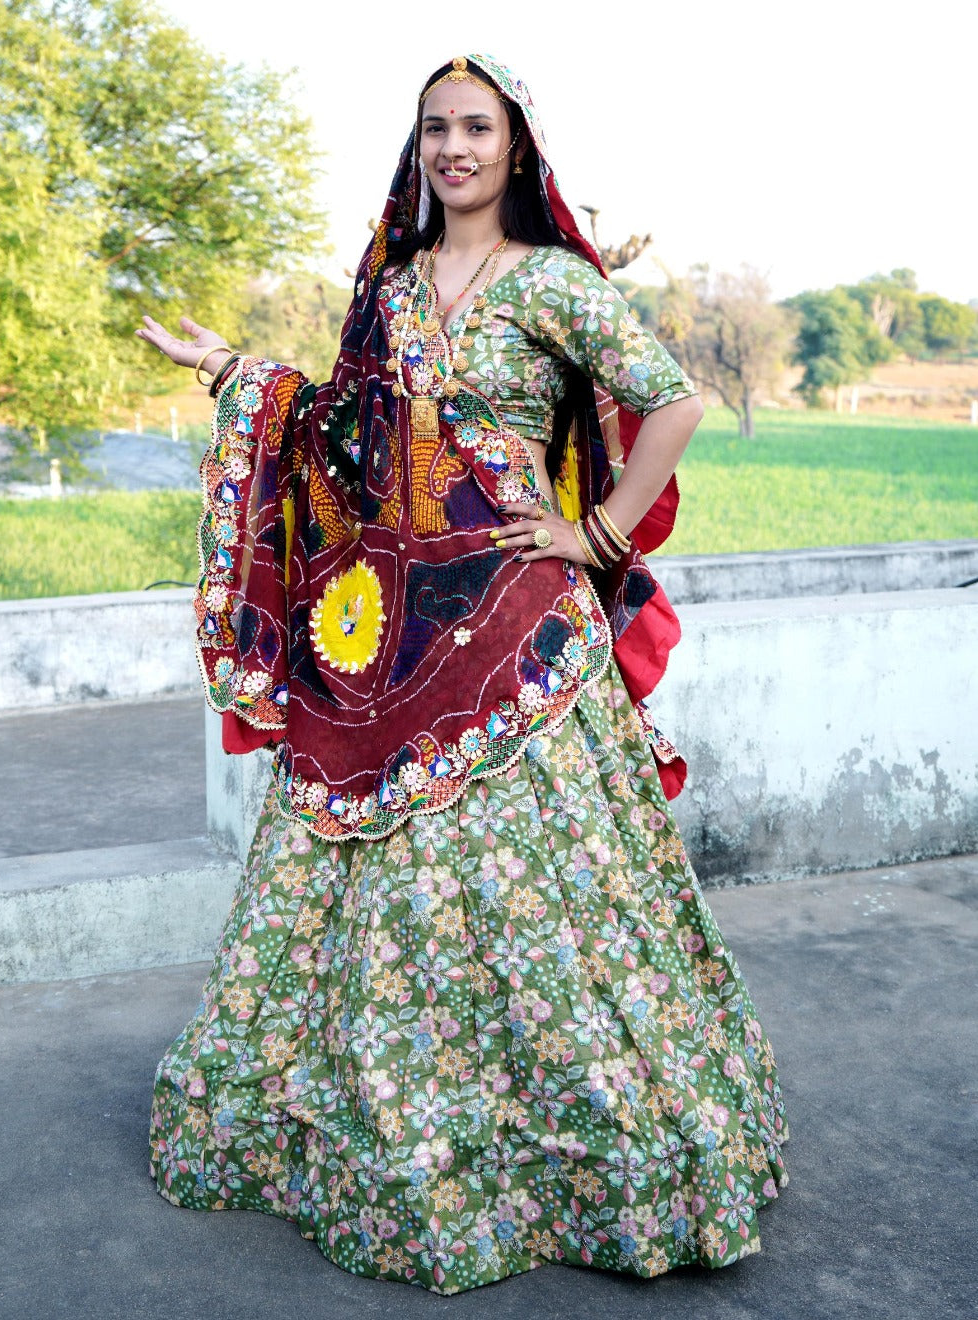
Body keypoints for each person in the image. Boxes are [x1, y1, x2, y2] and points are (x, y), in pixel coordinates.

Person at [137, 54, 788, 1294]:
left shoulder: (548, 285)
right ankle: (393, 1131)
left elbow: (675, 402)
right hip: (388, 651)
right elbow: (338, 435)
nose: (453, 147)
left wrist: (595, 535)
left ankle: (586, 1150)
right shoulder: (386, 291)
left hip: (523, 649)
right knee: (381, 903)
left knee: (546, 911)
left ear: (517, 146)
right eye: (434, 127)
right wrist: (235, 374)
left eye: (476, 127)